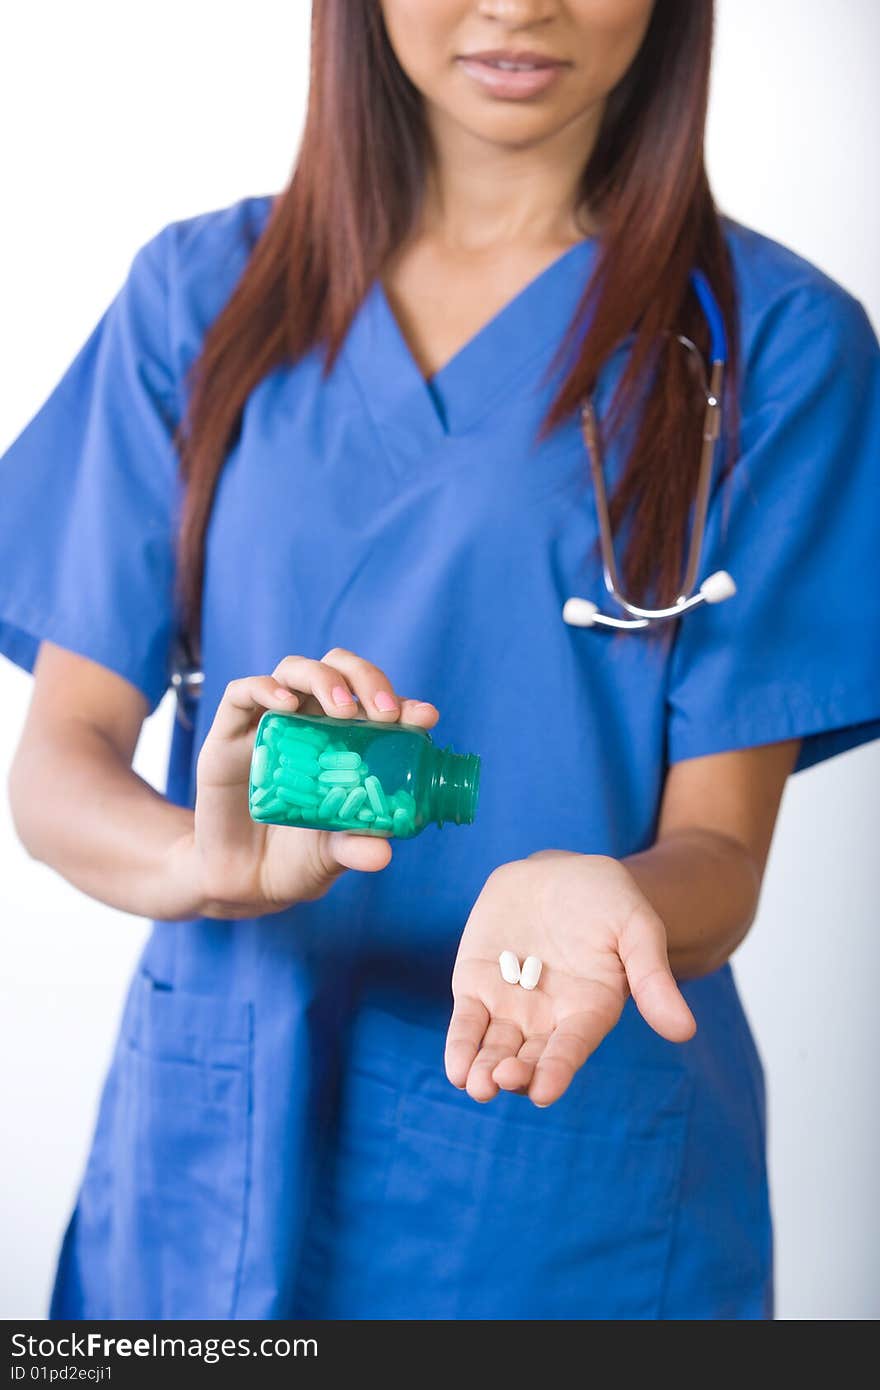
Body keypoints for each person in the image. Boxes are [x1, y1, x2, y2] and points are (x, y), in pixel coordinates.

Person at [1, 0, 878, 1321]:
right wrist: (198, 856)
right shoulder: (197, 297)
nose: (519, 4)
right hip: (207, 1161)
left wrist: (610, 896)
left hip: (555, 1187)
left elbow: (721, 856)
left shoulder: (778, 346)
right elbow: (58, 762)